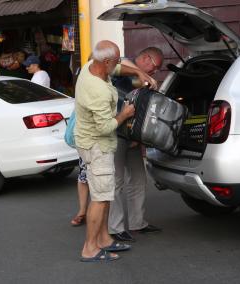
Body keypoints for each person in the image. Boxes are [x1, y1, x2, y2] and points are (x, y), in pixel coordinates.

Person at [75, 40, 156, 262]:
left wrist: (141, 73)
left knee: (105, 194)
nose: (119, 63)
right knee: (100, 198)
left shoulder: (93, 66)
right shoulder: (97, 90)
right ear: (106, 61)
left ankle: (104, 239)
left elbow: (119, 68)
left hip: (93, 143)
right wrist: (125, 114)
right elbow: (104, 127)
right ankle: (89, 248)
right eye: (117, 59)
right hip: (96, 145)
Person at [109, 47, 164, 242]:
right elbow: (119, 64)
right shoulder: (123, 63)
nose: (154, 71)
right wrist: (140, 73)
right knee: (115, 182)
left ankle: (137, 222)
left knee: (139, 178)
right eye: (154, 66)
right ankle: (114, 228)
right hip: (113, 131)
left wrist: (138, 138)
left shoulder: (144, 80)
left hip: (130, 136)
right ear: (145, 57)